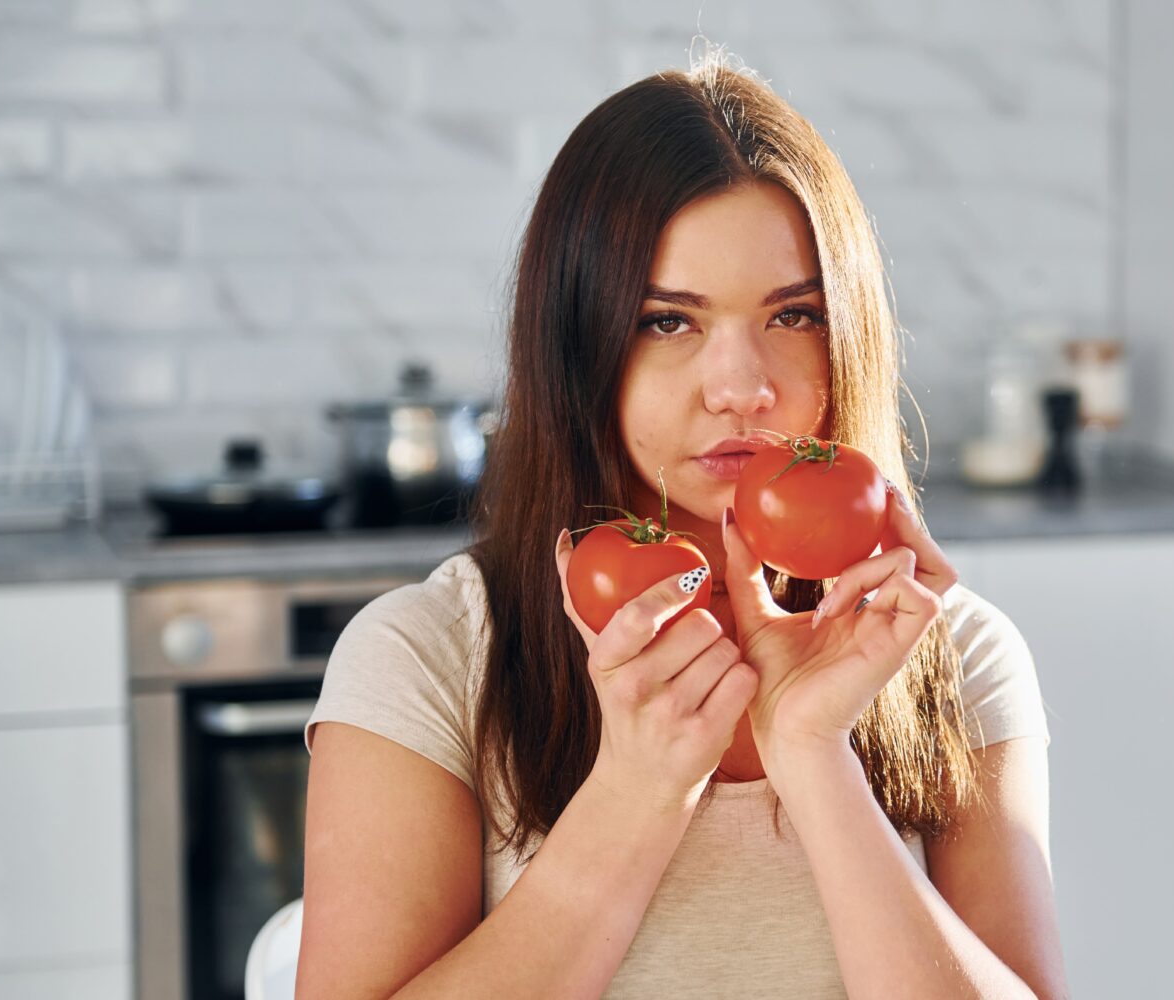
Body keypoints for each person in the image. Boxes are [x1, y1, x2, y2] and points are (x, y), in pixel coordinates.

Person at [298, 37, 1068, 1000]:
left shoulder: (959, 658)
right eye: (668, 322)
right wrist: (636, 791)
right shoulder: (425, 659)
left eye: (793, 316)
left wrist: (815, 759)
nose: (742, 388)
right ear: (578, 350)